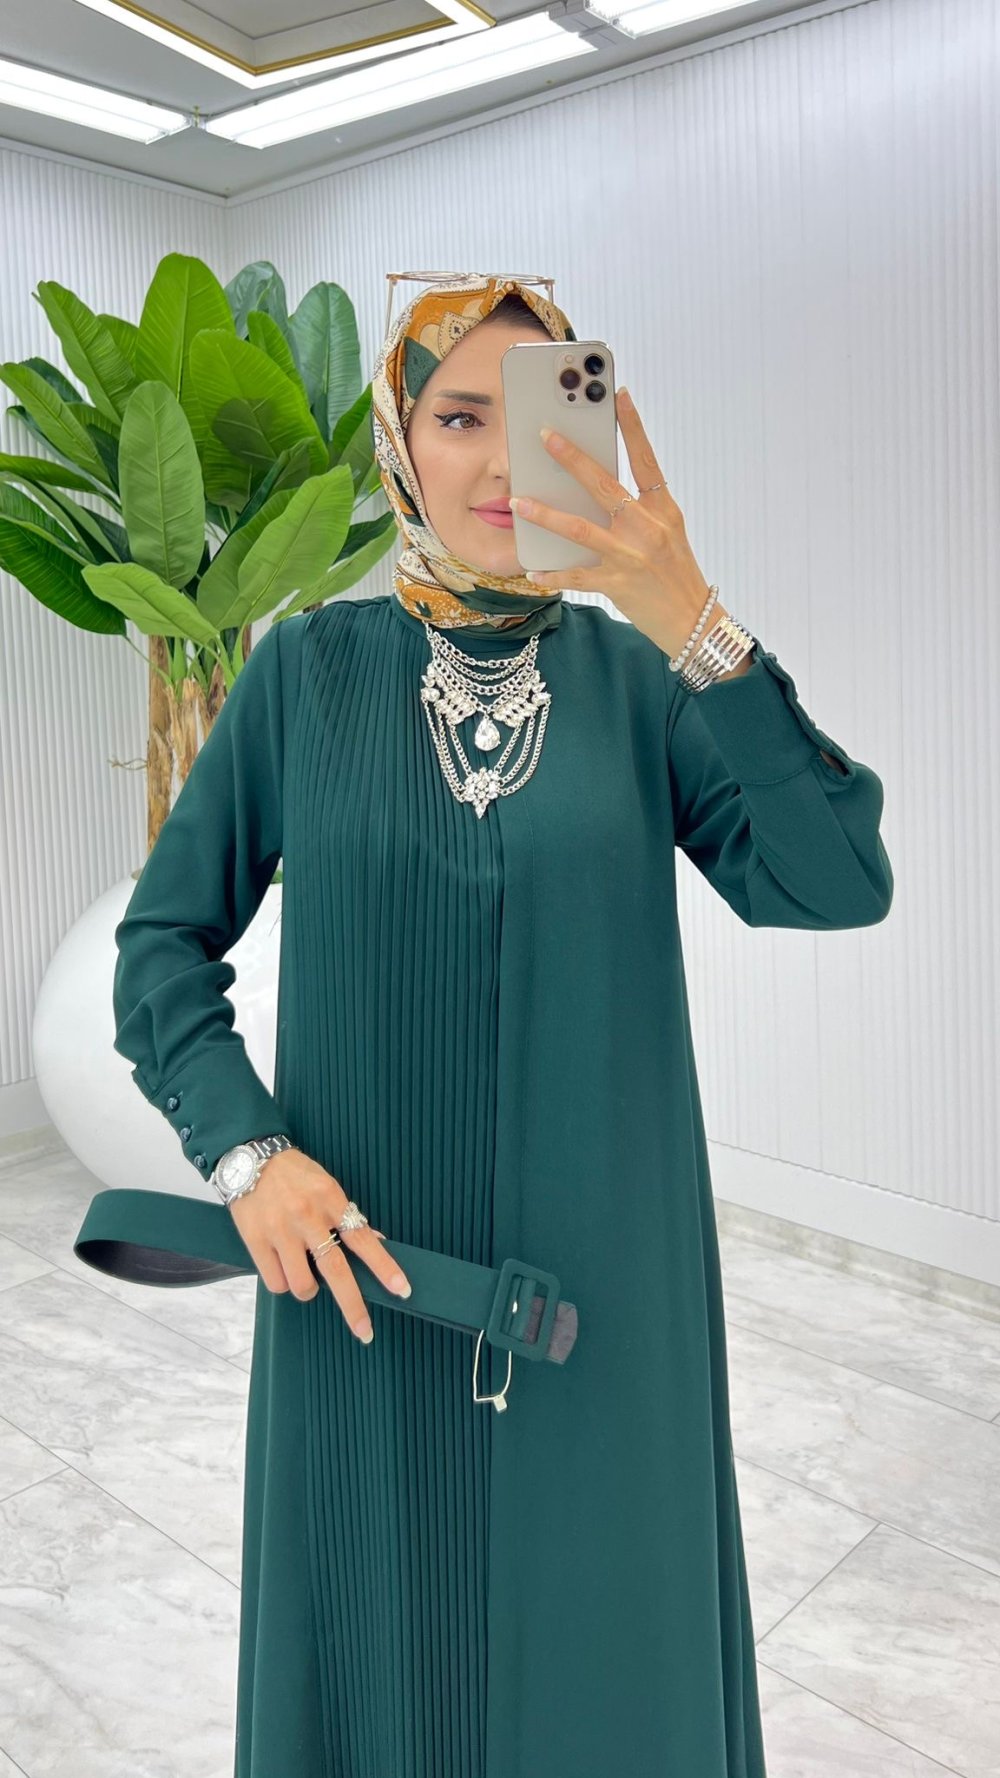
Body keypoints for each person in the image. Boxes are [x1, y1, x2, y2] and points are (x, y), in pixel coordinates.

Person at [75, 273, 893, 1777]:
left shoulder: (644, 687)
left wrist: (697, 623)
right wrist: (249, 1154)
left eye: (537, 413)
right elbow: (159, 945)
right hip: (362, 1280)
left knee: (606, 1652)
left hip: (607, 1303)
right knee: (376, 1632)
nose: (505, 460)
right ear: (401, 439)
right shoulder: (306, 674)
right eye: (460, 416)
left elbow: (837, 883)